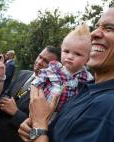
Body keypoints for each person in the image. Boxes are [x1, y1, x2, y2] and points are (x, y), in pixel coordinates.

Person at [18, 7, 114, 142]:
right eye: (97, 26)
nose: (94, 33)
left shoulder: (107, 105)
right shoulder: (86, 88)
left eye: (109, 28)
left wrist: (39, 126)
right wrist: (35, 129)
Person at [0, 46, 61, 142]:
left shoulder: (51, 94)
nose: (40, 62)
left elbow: (41, 126)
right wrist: (3, 102)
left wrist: (15, 112)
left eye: (46, 61)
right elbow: (5, 94)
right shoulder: (23, 74)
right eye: (40, 57)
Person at [31, 24, 93, 111]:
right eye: (66, 51)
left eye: (78, 54)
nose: (70, 56)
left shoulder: (88, 78)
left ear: (88, 59)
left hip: (65, 117)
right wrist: (33, 103)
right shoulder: (53, 69)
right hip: (42, 110)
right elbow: (35, 84)